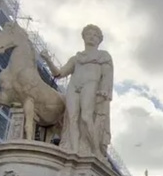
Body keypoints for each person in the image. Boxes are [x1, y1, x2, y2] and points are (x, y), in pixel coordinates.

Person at [41, 24, 113, 157]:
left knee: (86, 117)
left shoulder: (103, 56)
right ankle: (73, 151)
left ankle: (96, 150)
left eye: (95, 35)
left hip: (90, 84)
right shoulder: (76, 59)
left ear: (99, 40)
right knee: (72, 118)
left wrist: (104, 90)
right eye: (88, 34)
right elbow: (59, 74)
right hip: (73, 86)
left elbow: (107, 76)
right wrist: (48, 60)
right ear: (83, 37)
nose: (91, 37)